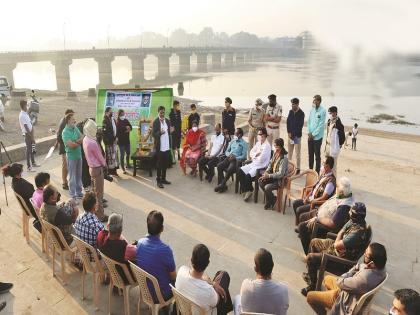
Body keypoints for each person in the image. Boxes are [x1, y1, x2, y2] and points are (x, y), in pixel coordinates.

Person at [301, 202, 370, 296]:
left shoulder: (358, 232)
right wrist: (339, 237)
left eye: (351, 212)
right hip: (339, 249)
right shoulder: (355, 221)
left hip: (342, 260)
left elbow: (338, 244)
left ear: (354, 215)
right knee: (314, 242)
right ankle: (312, 275)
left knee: (311, 258)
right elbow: (342, 231)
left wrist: (338, 238)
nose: (349, 212)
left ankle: (313, 286)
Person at [307, 242, 387, 315]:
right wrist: (358, 268)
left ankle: (328, 308)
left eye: (366, 255)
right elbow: (360, 267)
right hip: (351, 291)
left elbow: (340, 282)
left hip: (346, 300)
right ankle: (329, 301)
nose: (364, 255)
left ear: (372, 263)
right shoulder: (381, 270)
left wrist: (352, 271)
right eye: (365, 252)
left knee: (310, 296)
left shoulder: (364, 279)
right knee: (327, 279)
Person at [297, 177, 354, 255]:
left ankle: (309, 253)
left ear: (342, 192)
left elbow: (332, 223)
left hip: (323, 225)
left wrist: (318, 219)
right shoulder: (343, 195)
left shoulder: (344, 206)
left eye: (337, 187)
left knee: (302, 227)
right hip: (319, 213)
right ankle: (305, 237)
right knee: (302, 217)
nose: (336, 188)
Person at [175, 244, 233, 315]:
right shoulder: (208, 291)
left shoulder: (181, 271)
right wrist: (212, 283)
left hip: (184, 311)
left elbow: (194, 276)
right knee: (224, 275)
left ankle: (228, 308)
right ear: (207, 264)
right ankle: (227, 309)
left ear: (191, 260)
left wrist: (212, 283)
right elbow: (218, 301)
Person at [233, 248, 288, 315]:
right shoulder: (283, 289)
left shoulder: (246, 285)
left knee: (237, 298)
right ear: (272, 266)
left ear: (255, 268)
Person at [136, 211, 176, 302]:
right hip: (160, 295)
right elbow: (173, 276)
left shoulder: (140, 243)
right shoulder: (165, 250)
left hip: (144, 289)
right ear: (162, 229)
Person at [292, 156, 336, 225]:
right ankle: (300, 224)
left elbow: (324, 197)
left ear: (327, 166)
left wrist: (311, 201)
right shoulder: (323, 174)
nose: (322, 164)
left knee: (299, 210)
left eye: (323, 163)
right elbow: (314, 188)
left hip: (317, 204)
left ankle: (304, 226)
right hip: (311, 199)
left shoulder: (331, 181)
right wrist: (307, 197)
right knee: (295, 203)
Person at [97, 213, 137, 283]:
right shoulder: (125, 247)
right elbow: (137, 254)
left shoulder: (101, 236)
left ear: (108, 226)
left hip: (112, 272)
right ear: (121, 230)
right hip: (125, 278)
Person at [3, 163, 41, 232]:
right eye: (21, 171)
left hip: (27, 204)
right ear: (18, 173)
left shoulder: (15, 181)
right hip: (31, 207)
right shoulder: (21, 184)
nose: (22, 172)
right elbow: (32, 196)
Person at [238, 127, 271, 202]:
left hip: (260, 167)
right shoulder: (258, 143)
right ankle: (246, 190)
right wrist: (256, 154)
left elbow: (261, 159)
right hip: (253, 164)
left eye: (260, 134)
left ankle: (249, 190)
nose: (259, 136)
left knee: (248, 176)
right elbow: (250, 153)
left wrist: (255, 156)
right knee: (240, 171)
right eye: (258, 134)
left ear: (265, 135)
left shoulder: (267, 146)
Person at [215, 128, 247, 193]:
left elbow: (244, 156)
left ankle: (222, 185)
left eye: (236, 133)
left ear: (240, 135)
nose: (235, 134)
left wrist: (235, 157)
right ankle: (223, 186)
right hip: (228, 158)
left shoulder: (244, 143)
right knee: (219, 166)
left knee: (229, 169)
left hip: (236, 161)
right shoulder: (232, 141)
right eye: (235, 133)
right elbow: (227, 151)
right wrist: (229, 155)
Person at [259, 138, 288, 210]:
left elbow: (281, 174)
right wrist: (266, 172)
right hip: (272, 176)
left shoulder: (284, 158)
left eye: (276, 146)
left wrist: (268, 175)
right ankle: (272, 199)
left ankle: (270, 201)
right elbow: (270, 164)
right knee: (260, 181)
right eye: (275, 146)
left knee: (267, 187)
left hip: (279, 180)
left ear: (281, 146)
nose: (275, 148)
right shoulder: (275, 153)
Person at [62, 112, 84, 201]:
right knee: (72, 177)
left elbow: (83, 137)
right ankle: (72, 195)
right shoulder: (65, 132)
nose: (74, 121)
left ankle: (79, 193)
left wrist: (75, 142)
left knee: (79, 175)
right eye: (72, 119)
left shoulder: (75, 128)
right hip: (71, 157)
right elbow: (71, 145)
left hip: (78, 155)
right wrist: (78, 142)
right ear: (68, 121)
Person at [152, 106, 173, 189]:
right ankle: (158, 181)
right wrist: (159, 133)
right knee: (159, 164)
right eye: (161, 112)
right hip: (160, 146)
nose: (162, 114)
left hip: (166, 146)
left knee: (165, 163)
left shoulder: (167, 121)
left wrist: (170, 131)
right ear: (158, 112)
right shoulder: (156, 122)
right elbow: (153, 134)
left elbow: (169, 132)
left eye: (163, 112)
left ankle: (163, 179)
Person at [56, 109, 74, 190]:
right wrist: (68, 142)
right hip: (64, 148)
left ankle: (67, 181)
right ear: (68, 115)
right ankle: (64, 182)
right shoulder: (63, 123)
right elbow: (59, 137)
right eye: (72, 115)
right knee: (65, 166)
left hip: (66, 147)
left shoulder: (65, 121)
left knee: (67, 165)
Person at [308, 95, 327, 174]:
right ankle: (310, 170)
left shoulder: (323, 111)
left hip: (317, 137)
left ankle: (316, 172)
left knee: (317, 156)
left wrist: (314, 134)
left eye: (315, 100)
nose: (313, 102)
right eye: (313, 100)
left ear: (319, 101)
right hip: (310, 136)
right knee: (310, 154)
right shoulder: (312, 110)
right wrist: (309, 133)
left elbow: (321, 125)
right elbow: (309, 122)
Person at [18, 100, 39, 171]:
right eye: (26, 105)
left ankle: (33, 163)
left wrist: (32, 132)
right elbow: (26, 127)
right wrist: (32, 137)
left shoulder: (26, 114)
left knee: (32, 149)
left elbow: (30, 123)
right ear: (23, 106)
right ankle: (29, 167)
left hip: (30, 134)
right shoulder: (22, 115)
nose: (27, 106)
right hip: (27, 135)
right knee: (29, 150)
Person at [286, 97, 305, 174]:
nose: (292, 106)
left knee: (297, 153)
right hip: (290, 136)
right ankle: (289, 167)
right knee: (289, 153)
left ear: (297, 104)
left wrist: (293, 134)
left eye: (294, 104)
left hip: (297, 137)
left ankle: (298, 168)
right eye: (292, 104)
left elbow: (300, 126)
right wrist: (289, 132)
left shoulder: (301, 113)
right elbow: (288, 122)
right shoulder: (290, 112)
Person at [325, 106, 345, 176]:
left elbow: (342, 138)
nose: (331, 114)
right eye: (330, 113)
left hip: (333, 148)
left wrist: (338, 146)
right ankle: (326, 180)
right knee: (326, 164)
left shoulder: (339, 123)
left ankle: (333, 182)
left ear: (335, 113)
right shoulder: (329, 121)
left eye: (332, 113)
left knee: (333, 166)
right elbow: (328, 133)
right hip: (327, 146)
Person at [102, 107, 118, 176]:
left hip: (113, 141)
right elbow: (105, 133)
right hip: (108, 142)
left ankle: (114, 170)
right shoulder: (104, 121)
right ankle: (109, 172)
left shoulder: (112, 119)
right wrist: (113, 139)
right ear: (107, 112)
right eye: (110, 111)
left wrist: (116, 138)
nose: (112, 113)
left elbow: (114, 130)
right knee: (109, 157)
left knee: (113, 157)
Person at [116, 109, 132, 174]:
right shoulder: (117, 122)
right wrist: (126, 128)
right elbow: (119, 131)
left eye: (123, 114)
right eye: (122, 114)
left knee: (128, 153)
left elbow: (131, 127)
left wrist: (129, 128)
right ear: (119, 115)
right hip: (121, 142)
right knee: (122, 155)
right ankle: (123, 168)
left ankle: (128, 165)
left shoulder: (126, 120)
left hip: (127, 141)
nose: (123, 115)